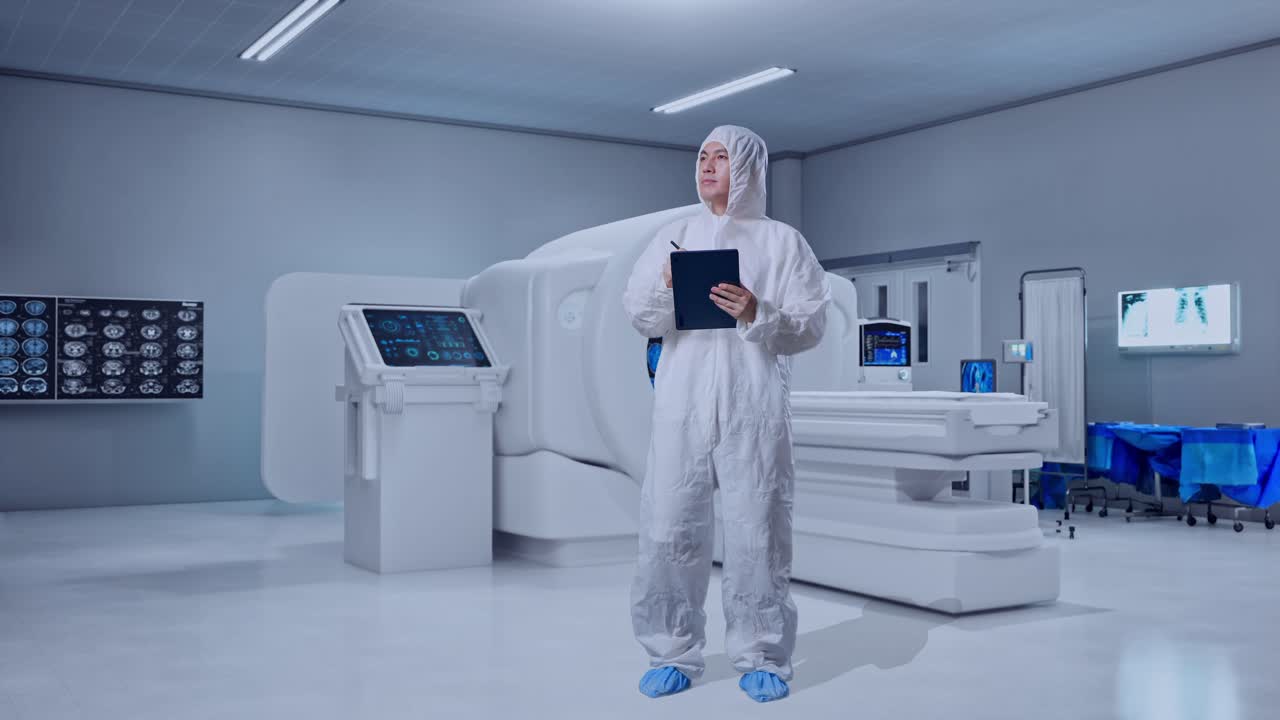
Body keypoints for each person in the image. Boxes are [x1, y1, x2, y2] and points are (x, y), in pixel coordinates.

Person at [621, 125, 831, 703]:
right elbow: (638, 313)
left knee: (756, 532)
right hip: (681, 408)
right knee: (667, 529)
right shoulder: (673, 236)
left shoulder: (782, 243)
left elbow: (811, 324)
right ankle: (671, 650)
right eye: (703, 157)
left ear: (749, 168)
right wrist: (667, 286)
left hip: (753, 411)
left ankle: (762, 653)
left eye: (722, 157)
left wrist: (757, 310)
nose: (709, 166)